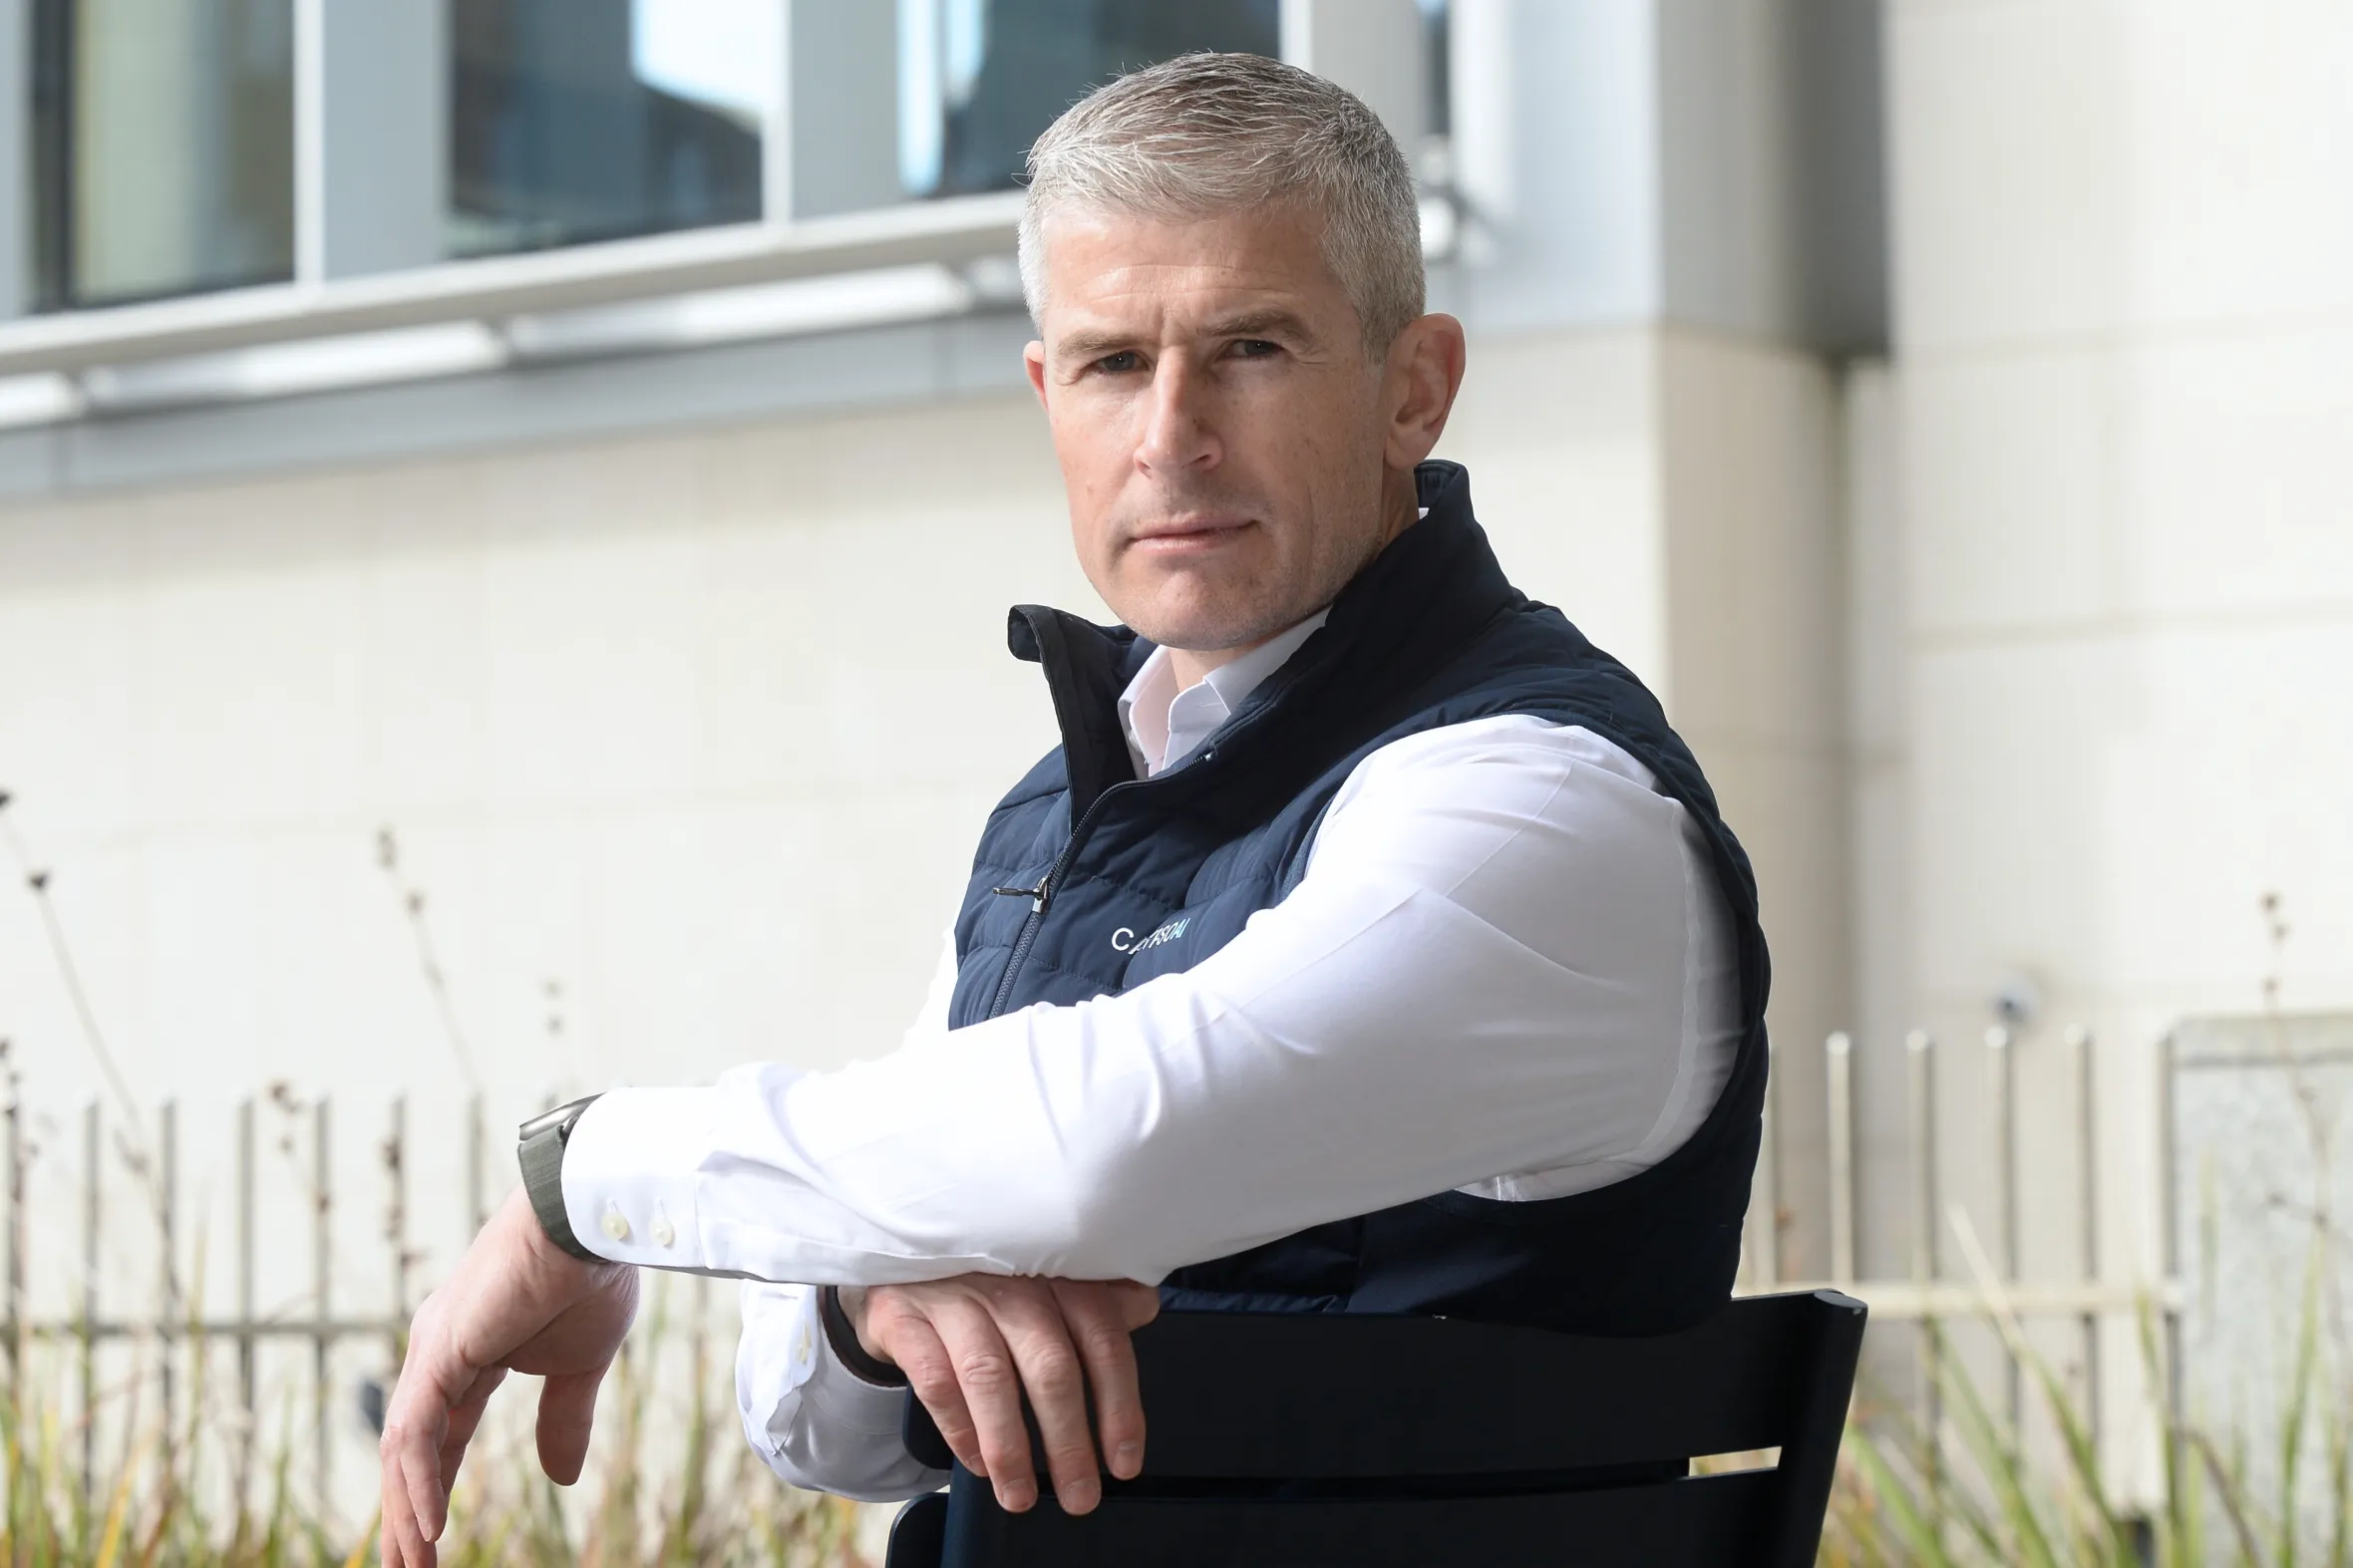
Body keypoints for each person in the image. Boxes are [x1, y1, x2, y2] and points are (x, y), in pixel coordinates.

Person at [377, 52, 1769, 1568]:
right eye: (1113, 363)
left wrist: (580, 1179)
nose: (1171, 434)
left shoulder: (1541, 805)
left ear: (1412, 386)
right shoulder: (1067, 813)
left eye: (1250, 349)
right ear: (1049, 394)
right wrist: (874, 1297)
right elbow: (815, 1430)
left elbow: (1097, 1147)